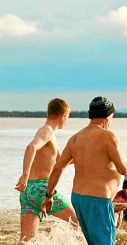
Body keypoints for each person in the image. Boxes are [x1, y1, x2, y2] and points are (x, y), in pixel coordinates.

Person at [41, 96, 127, 245]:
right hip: (98, 201)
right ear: (107, 116)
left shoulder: (75, 139)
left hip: (78, 199)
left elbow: (58, 167)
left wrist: (48, 196)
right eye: (112, 116)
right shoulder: (108, 137)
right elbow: (123, 169)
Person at [15, 98, 78, 244]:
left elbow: (64, 161)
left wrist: (86, 155)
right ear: (63, 116)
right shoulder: (47, 131)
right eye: (67, 117)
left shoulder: (50, 134)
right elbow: (31, 147)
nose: (66, 121)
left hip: (28, 192)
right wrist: (25, 174)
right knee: (78, 224)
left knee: (26, 241)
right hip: (41, 189)